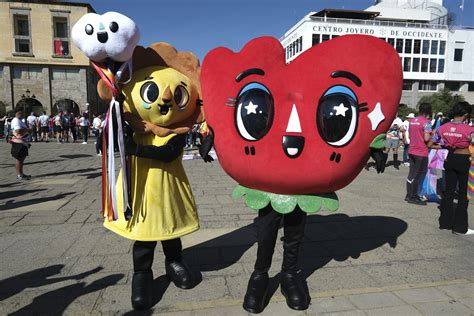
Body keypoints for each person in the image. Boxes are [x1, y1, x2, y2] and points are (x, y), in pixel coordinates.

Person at [431, 102, 474, 235]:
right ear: (466, 114)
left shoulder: (442, 128)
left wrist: (447, 146)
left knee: (448, 191)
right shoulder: (470, 130)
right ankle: (460, 227)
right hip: (464, 160)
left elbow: (430, 143)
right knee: (463, 193)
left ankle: (445, 223)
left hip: (449, 159)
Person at [405, 103, 433, 205]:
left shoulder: (412, 121)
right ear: (428, 112)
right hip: (421, 151)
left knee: (411, 174)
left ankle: (409, 194)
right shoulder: (426, 122)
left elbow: (409, 134)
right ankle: (413, 196)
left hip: (411, 149)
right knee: (419, 175)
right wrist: (432, 134)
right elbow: (426, 138)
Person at [10, 110, 32, 180]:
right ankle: (19, 175)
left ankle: (21, 174)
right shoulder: (16, 120)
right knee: (19, 159)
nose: (22, 114)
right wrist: (28, 130)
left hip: (22, 142)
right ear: (16, 113)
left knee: (21, 158)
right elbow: (18, 130)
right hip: (18, 142)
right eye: (20, 113)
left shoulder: (19, 120)